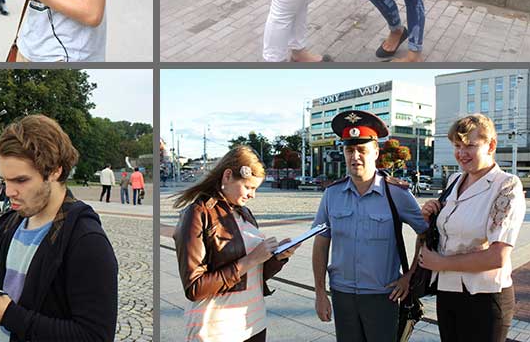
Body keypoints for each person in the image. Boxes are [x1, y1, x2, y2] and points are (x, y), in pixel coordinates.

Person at [0, 115, 118, 341]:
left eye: (20, 180)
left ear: (55, 171)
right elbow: (18, 300)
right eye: (5, 180)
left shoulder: (86, 240)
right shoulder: (6, 225)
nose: (8, 192)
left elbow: (95, 336)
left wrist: (9, 315)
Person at [311, 110, 429, 341]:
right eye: (349, 150)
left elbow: (425, 234)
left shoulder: (397, 193)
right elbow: (321, 243)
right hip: (342, 295)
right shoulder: (332, 194)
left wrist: (410, 276)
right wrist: (320, 293)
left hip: (383, 297)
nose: (355, 156)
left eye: (362, 150)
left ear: (376, 152)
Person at [415, 115, 527, 341]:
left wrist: (441, 263)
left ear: (491, 145)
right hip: (447, 292)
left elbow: (498, 256)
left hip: (484, 296)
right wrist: (429, 218)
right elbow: (445, 233)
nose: (461, 153)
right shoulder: (454, 180)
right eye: (457, 146)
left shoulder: (506, 185)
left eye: (470, 146)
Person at [173, 146, 299, 342]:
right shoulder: (198, 213)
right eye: (249, 187)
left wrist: (278, 257)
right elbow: (194, 287)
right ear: (228, 176)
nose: (252, 195)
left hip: (253, 322)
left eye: (255, 189)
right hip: (217, 330)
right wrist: (251, 259)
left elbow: (254, 275)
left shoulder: (245, 213)